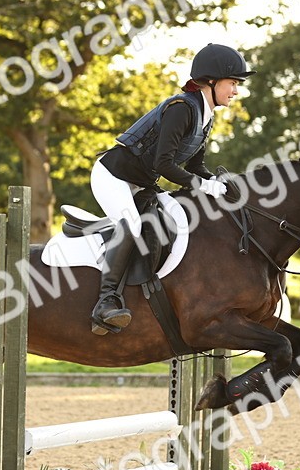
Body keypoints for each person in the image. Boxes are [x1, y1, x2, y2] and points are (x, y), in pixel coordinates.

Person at [87, 43, 252, 335]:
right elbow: (164, 164)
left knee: (168, 222)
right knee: (133, 224)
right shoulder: (182, 108)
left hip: (141, 183)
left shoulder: (206, 115)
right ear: (211, 82)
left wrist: (222, 185)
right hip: (113, 175)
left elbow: (194, 168)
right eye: (233, 83)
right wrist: (204, 186)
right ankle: (106, 301)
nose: (236, 91)